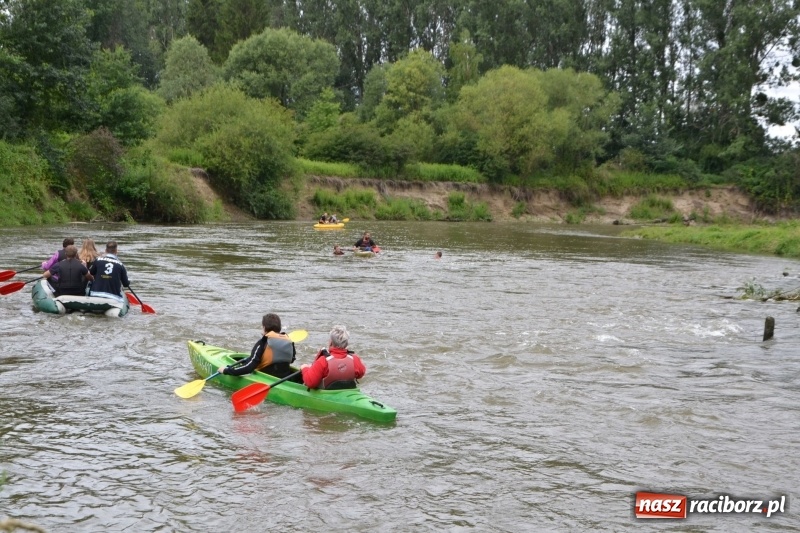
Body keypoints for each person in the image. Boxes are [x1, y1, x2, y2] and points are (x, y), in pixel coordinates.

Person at [218, 313, 300, 381]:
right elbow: (291, 359)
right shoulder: (289, 342)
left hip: (265, 379)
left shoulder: (263, 342)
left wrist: (226, 371)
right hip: (284, 379)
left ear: (264, 327)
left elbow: (248, 368)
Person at [301, 325, 366, 390]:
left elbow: (311, 383)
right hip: (347, 392)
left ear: (331, 342)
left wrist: (305, 368)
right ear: (346, 343)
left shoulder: (323, 361)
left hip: (327, 394)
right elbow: (361, 374)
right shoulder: (354, 359)